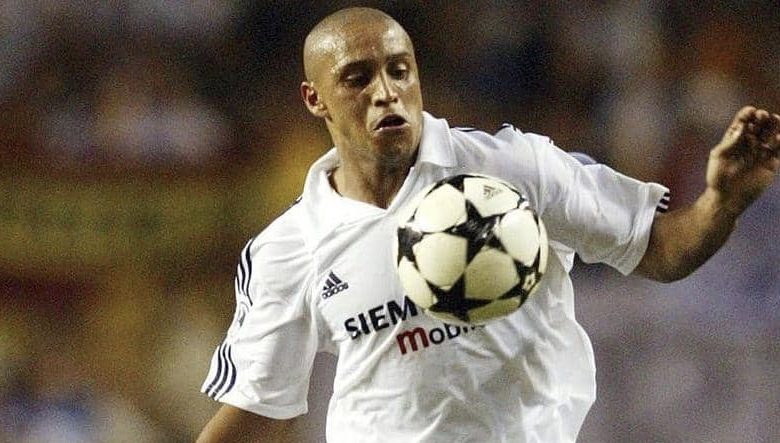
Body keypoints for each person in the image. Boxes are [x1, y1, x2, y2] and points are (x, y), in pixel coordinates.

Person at [196, 7, 780, 443]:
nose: (386, 93)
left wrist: (722, 201)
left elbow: (662, 250)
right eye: (357, 79)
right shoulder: (286, 249)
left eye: (399, 70)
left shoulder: (514, 167)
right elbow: (257, 409)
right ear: (314, 99)